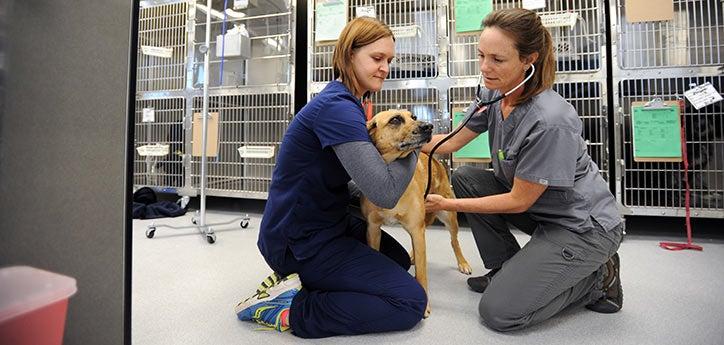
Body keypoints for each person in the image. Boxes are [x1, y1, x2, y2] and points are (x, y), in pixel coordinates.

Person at [422, 8, 624, 331]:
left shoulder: (550, 120)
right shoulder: (494, 92)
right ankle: (505, 269)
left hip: (583, 226)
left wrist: (446, 205)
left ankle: (599, 277)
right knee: (466, 179)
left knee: (499, 313)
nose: (485, 68)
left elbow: (519, 201)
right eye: (481, 56)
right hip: (545, 211)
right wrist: (400, 140)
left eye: (497, 60)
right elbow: (449, 143)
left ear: (528, 60)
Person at [234, 17, 427, 338]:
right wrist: (417, 140)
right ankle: (290, 308)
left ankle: (299, 282)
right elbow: (384, 193)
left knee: (395, 259)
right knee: (408, 302)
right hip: (298, 241)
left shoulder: (350, 104)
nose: (385, 68)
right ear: (349, 55)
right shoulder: (337, 108)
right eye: (377, 58)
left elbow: (351, 184)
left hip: (324, 223)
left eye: (389, 60)